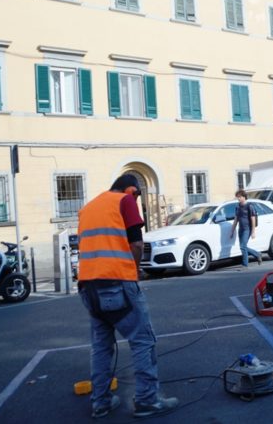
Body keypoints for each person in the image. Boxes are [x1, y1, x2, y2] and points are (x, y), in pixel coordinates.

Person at [77, 175, 178, 419]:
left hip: (88, 287)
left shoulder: (88, 207)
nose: (137, 200)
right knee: (143, 340)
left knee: (101, 346)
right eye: (138, 195)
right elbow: (136, 244)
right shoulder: (124, 200)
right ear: (132, 189)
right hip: (116, 282)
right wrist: (134, 271)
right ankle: (147, 400)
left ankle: (100, 402)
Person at [230, 189, 261, 267]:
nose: (238, 199)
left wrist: (253, 231)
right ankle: (257, 254)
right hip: (241, 229)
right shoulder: (238, 206)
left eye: (239, 197)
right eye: (237, 197)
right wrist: (232, 231)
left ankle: (245, 265)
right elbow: (236, 219)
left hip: (247, 229)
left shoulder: (249, 206)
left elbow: (253, 219)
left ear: (244, 197)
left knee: (243, 246)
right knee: (243, 247)